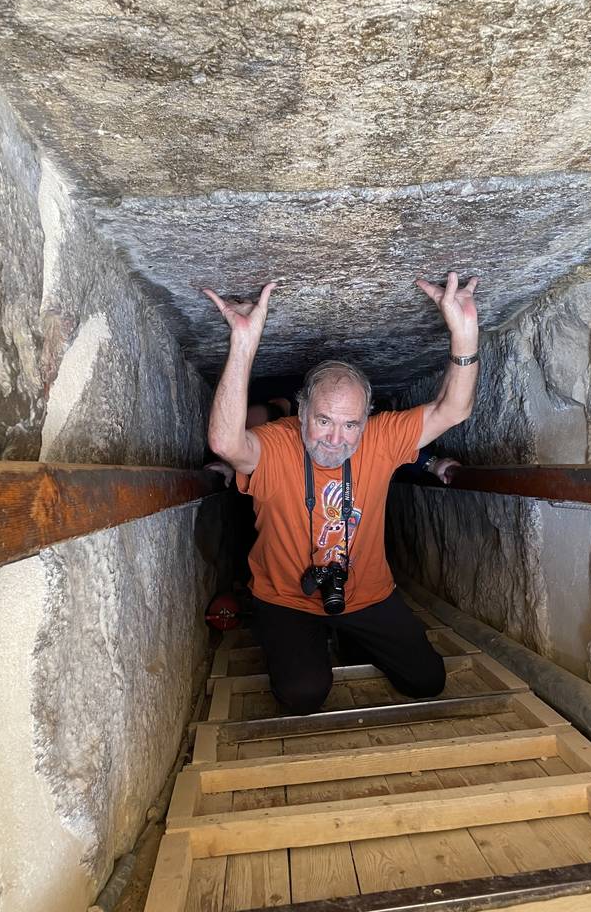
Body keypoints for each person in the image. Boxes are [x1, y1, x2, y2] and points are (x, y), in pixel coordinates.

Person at [203, 272, 479, 714]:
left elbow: (454, 408)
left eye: (351, 424)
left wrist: (464, 333)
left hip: (367, 592)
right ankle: (309, 640)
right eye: (324, 420)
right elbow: (226, 443)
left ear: (366, 418)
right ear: (302, 411)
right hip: (285, 596)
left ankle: (349, 636)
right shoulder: (276, 443)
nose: (336, 438)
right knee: (302, 694)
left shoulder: (381, 438)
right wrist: (242, 343)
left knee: (426, 681)